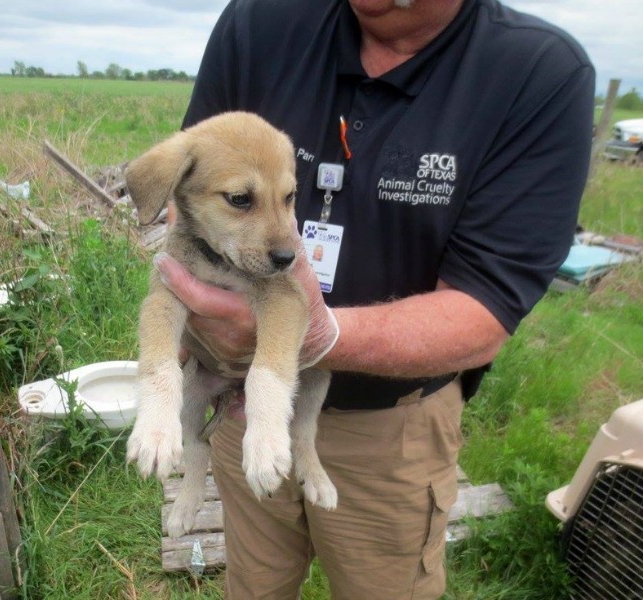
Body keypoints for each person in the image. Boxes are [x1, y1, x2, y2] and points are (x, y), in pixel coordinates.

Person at [154, 0, 595, 598]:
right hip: (245, 407)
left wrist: (320, 336)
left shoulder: (536, 72)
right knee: (254, 585)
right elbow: (190, 190)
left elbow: (486, 304)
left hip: (391, 428)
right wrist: (182, 345)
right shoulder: (260, 21)